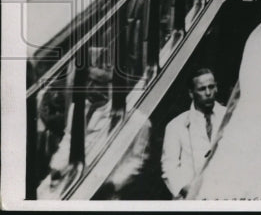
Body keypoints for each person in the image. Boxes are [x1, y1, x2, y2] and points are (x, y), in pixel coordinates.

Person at [42, 67, 151, 199]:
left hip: (104, 190)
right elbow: (69, 140)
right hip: (70, 177)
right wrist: (57, 166)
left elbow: (137, 161)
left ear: (110, 87)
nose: (89, 87)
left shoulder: (138, 121)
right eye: (87, 81)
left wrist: (113, 184)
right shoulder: (77, 109)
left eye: (96, 83)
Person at [161, 69, 226, 200]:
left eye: (211, 87)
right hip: (190, 199)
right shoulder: (175, 126)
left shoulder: (229, 117)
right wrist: (188, 190)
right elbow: (169, 168)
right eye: (202, 89)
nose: (208, 93)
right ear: (191, 93)